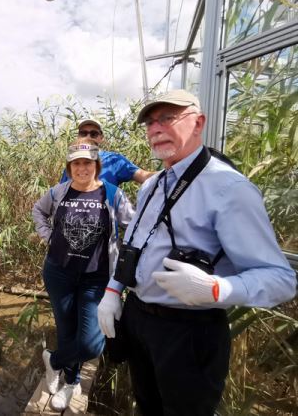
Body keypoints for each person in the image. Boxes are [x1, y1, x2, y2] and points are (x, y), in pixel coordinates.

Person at [97, 89, 297, 416]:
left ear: (199, 122)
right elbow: (133, 244)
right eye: (149, 122)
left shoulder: (228, 188)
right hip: (139, 320)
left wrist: (216, 288)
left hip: (189, 333)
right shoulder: (151, 185)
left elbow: (281, 279)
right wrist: (112, 291)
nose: (155, 128)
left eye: (167, 118)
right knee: (146, 405)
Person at [32, 142, 135, 410]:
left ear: (96, 166)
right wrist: (47, 235)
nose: (82, 168)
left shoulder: (112, 195)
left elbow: (136, 227)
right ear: (69, 168)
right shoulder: (58, 192)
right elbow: (38, 210)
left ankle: (53, 361)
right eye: (76, 163)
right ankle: (70, 382)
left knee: (91, 343)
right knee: (66, 330)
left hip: (95, 279)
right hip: (59, 273)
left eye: (87, 163)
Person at [59, 118, 154, 186]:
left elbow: (144, 176)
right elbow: (61, 193)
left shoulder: (114, 160)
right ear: (78, 136)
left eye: (93, 134)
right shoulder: (72, 162)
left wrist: (168, 172)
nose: (88, 137)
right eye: (83, 133)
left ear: (101, 138)